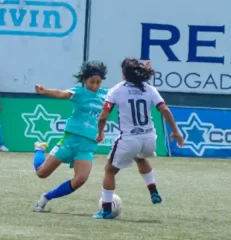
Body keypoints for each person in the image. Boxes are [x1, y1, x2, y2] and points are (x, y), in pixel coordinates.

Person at [93, 58, 184, 219]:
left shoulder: (116, 90)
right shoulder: (149, 89)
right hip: (149, 139)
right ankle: (153, 191)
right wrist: (176, 131)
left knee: (110, 170)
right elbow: (165, 109)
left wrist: (100, 132)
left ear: (123, 74)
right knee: (140, 158)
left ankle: (106, 210)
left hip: (129, 139)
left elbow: (103, 117)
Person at [32, 60, 108, 212]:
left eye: (98, 82)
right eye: (92, 82)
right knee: (42, 173)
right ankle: (39, 149)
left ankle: (46, 197)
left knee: (80, 179)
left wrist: (100, 132)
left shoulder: (106, 95)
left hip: (88, 145)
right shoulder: (79, 93)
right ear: (84, 80)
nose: (95, 85)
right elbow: (61, 93)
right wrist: (45, 91)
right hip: (71, 139)